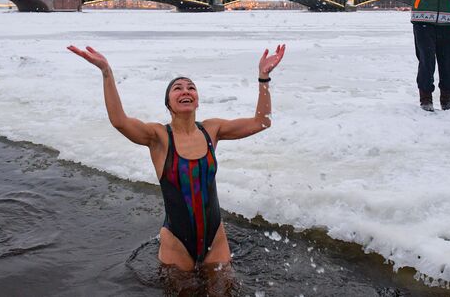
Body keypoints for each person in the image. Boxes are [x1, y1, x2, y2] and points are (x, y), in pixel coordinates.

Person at [67, 44, 286, 272]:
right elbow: (119, 121)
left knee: (225, 289)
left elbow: (261, 122)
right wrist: (106, 72)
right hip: (176, 242)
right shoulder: (159, 137)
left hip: (216, 239)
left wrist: (263, 78)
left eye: (191, 88)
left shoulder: (212, 130)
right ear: (168, 103)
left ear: (197, 101)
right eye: (177, 88)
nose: (185, 91)